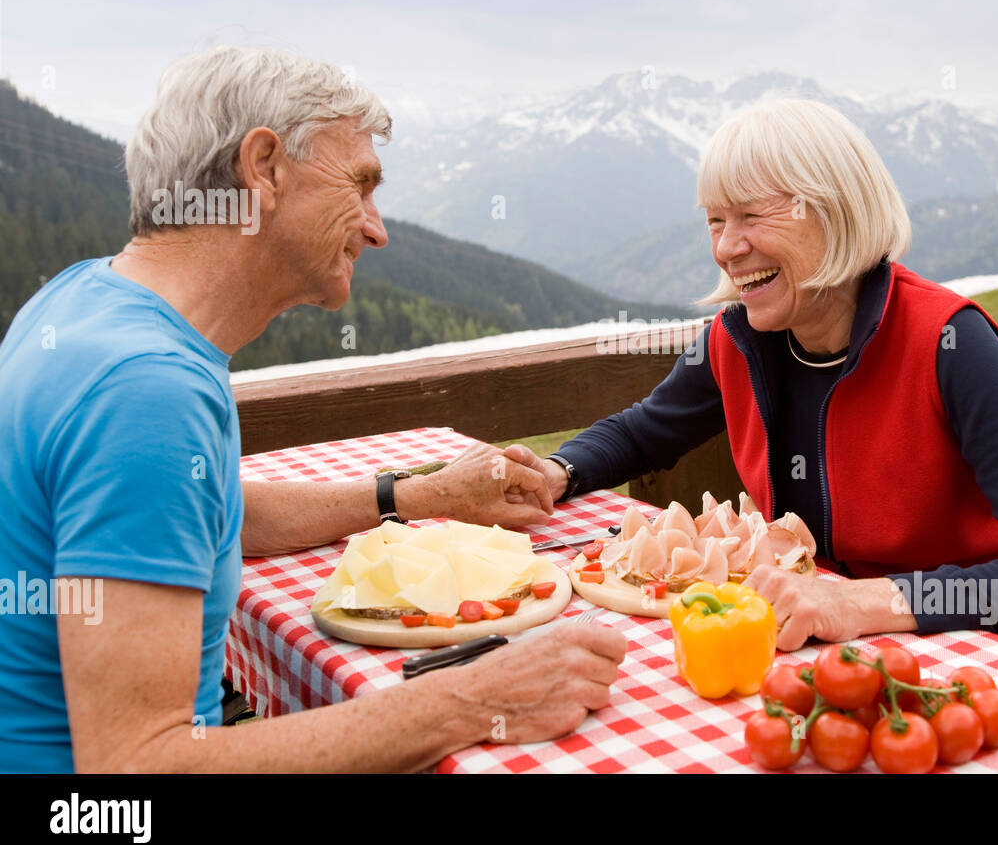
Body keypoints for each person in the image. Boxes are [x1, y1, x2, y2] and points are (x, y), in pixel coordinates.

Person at [0, 47, 625, 773]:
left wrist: (419, 496)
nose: (377, 229)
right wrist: (472, 699)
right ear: (263, 168)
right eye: (360, 185)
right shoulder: (147, 390)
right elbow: (138, 770)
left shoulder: (86, 301)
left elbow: (197, 508)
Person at [539, 99, 998, 654]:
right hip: (818, 655)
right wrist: (555, 471)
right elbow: (642, 433)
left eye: (751, 216)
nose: (725, 247)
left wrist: (860, 600)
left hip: (965, 668)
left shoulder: (948, 342)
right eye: (715, 220)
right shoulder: (739, 338)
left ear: (835, 212)